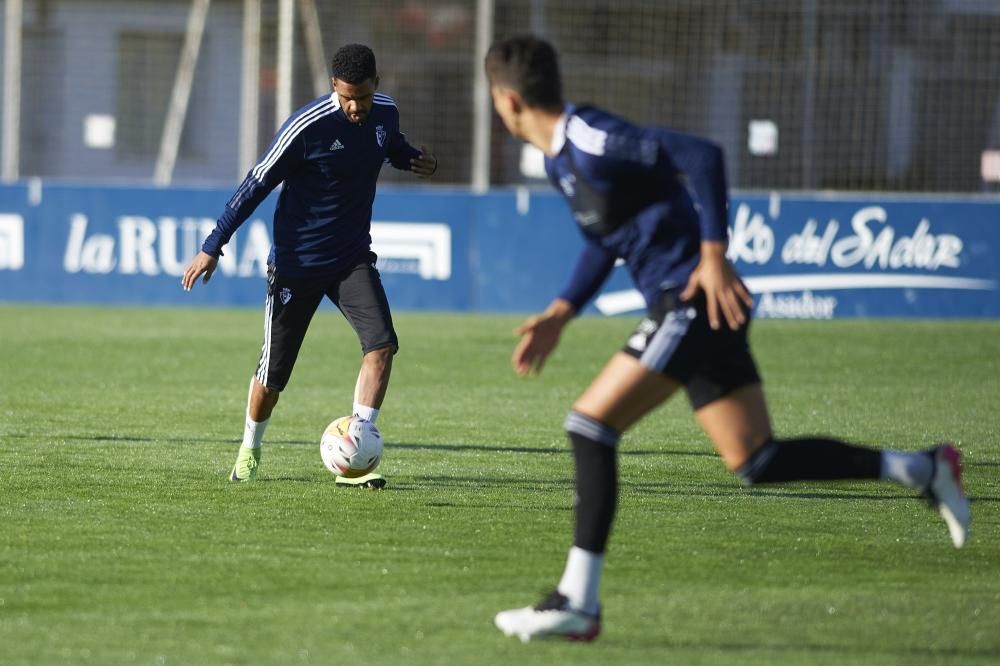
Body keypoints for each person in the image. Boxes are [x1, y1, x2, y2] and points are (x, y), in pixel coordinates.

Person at [484, 35, 970, 643]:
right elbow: (602, 240)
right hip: (697, 307)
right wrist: (561, 311)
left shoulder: (590, 138)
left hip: (690, 299)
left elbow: (702, 155)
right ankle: (923, 469)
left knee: (590, 426)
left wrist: (713, 255)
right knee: (756, 459)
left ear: (505, 100)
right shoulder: (560, 159)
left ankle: (578, 603)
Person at [182, 43, 437, 487]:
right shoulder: (307, 126)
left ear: (376, 84)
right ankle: (250, 447)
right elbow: (255, 184)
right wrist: (213, 243)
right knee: (272, 376)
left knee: (382, 346)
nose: (353, 106)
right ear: (333, 88)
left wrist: (414, 158)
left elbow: (387, 145)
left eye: (360, 96)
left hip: (352, 259)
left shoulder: (385, 112)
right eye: (344, 97)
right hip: (296, 266)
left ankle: (355, 452)